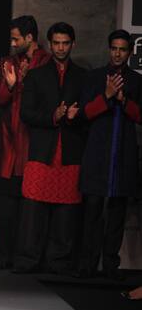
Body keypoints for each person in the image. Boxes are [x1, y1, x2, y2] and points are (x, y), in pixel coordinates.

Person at [14, 22, 87, 275]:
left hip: (70, 151)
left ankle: (59, 262)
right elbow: (26, 113)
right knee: (33, 211)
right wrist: (53, 116)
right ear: (50, 43)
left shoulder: (82, 76)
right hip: (42, 151)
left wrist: (76, 115)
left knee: (66, 214)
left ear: (72, 44)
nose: (60, 48)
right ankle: (28, 260)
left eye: (65, 43)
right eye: (56, 43)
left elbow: (88, 115)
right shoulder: (36, 75)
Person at [77, 29, 142, 279]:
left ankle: (111, 266)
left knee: (117, 213)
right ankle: (87, 264)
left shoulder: (136, 81)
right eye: (114, 48)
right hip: (97, 153)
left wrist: (124, 101)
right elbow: (83, 114)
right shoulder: (94, 78)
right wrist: (106, 96)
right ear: (109, 49)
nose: (117, 53)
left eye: (122, 49)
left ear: (129, 52)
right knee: (92, 210)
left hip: (123, 155)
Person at [0, 15, 50, 270]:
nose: (12, 43)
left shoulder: (45, 63)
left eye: (16, 39)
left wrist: (23, 83)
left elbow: (44, 101)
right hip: (8, 145)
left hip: (33, 145)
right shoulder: (9, 62)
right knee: (5, 207)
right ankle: (1, 258)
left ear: (30, 38)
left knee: (31, 209)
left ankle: (26, 260)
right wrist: (11, 85)